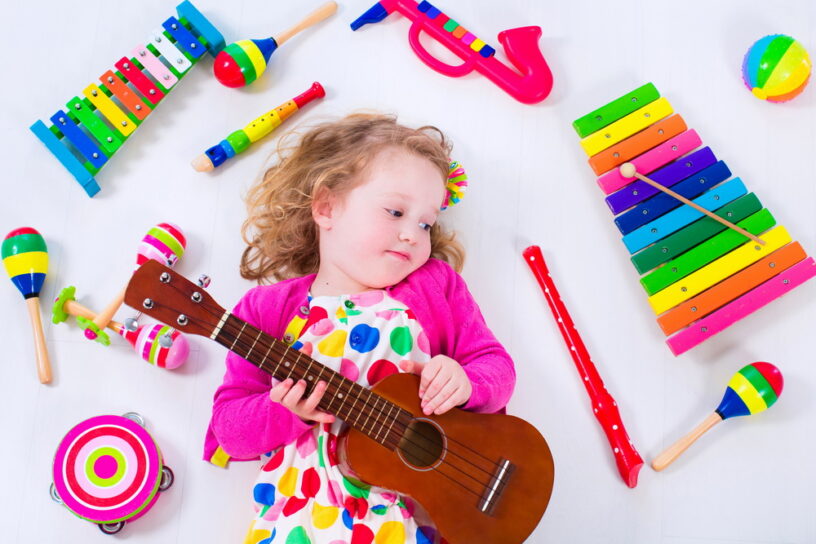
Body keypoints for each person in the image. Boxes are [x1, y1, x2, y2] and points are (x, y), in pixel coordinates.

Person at [203, 113, 515, 544]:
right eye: (395, 212)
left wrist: (467, 382)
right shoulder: (267, 310)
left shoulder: (434, 285)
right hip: (304, 520)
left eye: (426, 223)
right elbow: (229, 429)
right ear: (327, 207)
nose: (412, 234)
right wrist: (282, 410)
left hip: (415, 515)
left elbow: (494, 365)